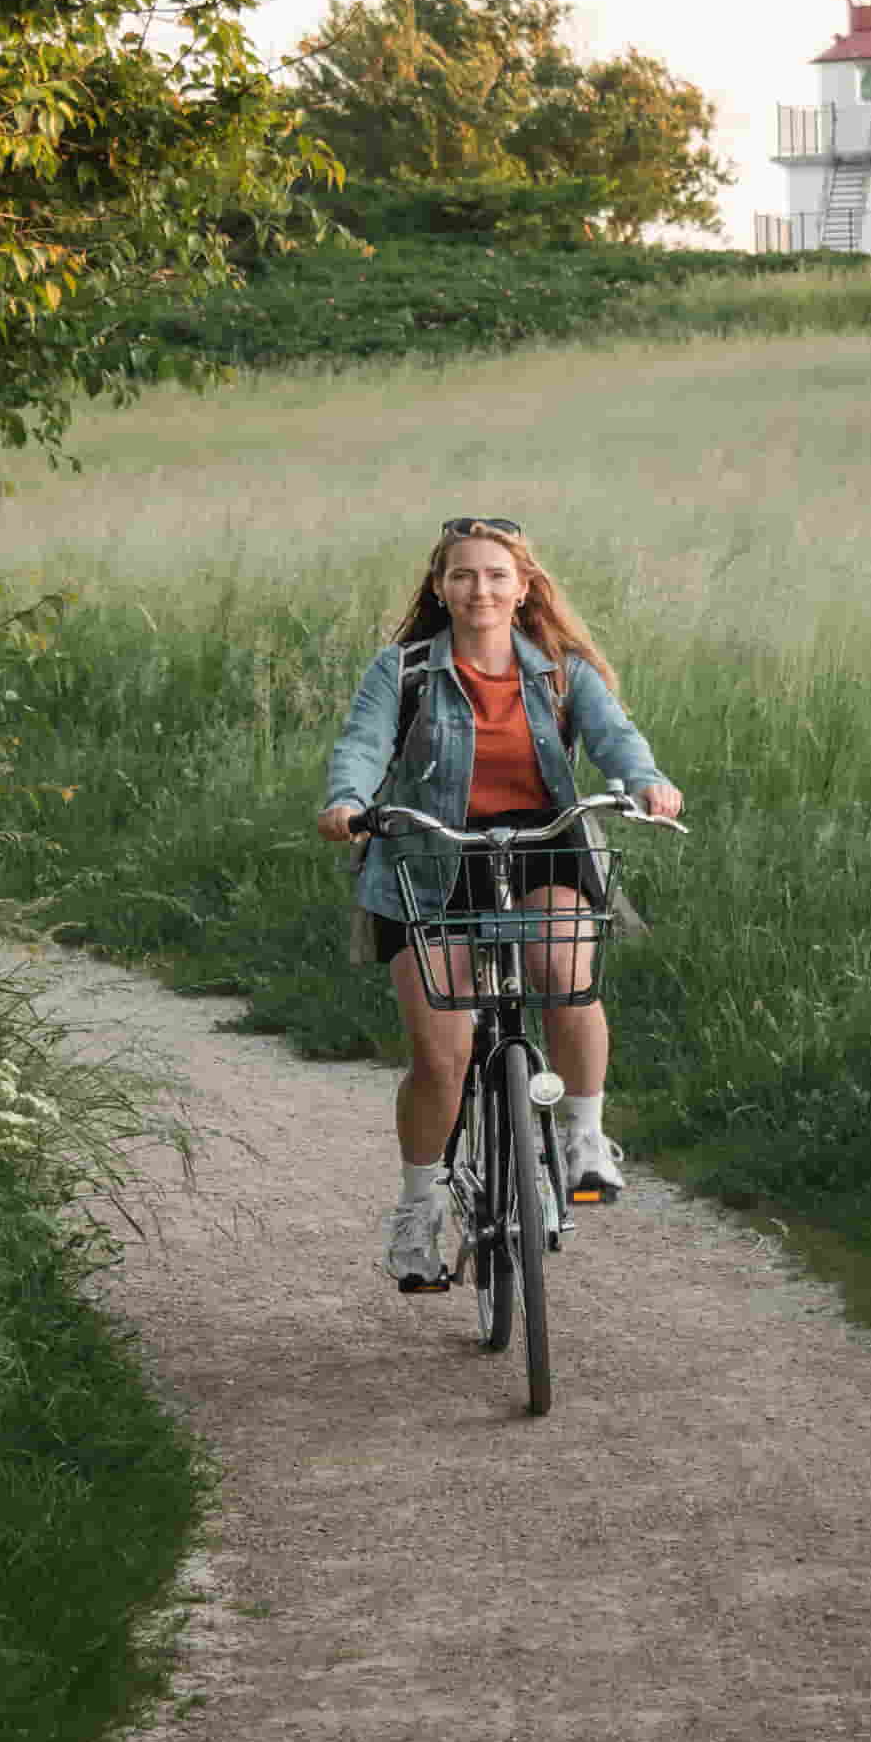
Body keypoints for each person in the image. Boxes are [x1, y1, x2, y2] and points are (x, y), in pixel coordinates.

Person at [317, 519, 685, 1287]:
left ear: (523, 590)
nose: (478, 589)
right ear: (440, 588)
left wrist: (646, 782)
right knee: (441, 1058)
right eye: (461, 576)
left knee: (563, 968)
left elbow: (616, 737)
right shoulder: (405, 669)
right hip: (427, 855)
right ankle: (418, 1214)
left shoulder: (559, 669)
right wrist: (348, 799)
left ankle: (584, 1139)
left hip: (544, 843)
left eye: (494, 576)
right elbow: (362, 742)